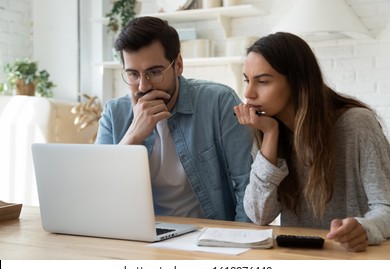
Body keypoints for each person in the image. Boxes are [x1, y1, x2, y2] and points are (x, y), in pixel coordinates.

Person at [233, 32, 390, 251]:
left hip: (355, 258)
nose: (248, 93)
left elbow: (386, 206)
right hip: (300, 258)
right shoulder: (267, 128)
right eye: (247, 81)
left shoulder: (356, 124)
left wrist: (364, 228)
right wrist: (269, 136)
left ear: (297, 82)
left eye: (262, 81)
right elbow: (260, 215)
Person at [96, 16, 254, 222]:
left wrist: (236, 241)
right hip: (140, 235)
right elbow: (98, 192)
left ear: (178, 65)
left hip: (207, 236)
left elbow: (248, 187)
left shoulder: (219, 102)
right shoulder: (113, 113)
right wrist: (133, 136)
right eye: (133, 74)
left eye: (154, 72)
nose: (143, 86)